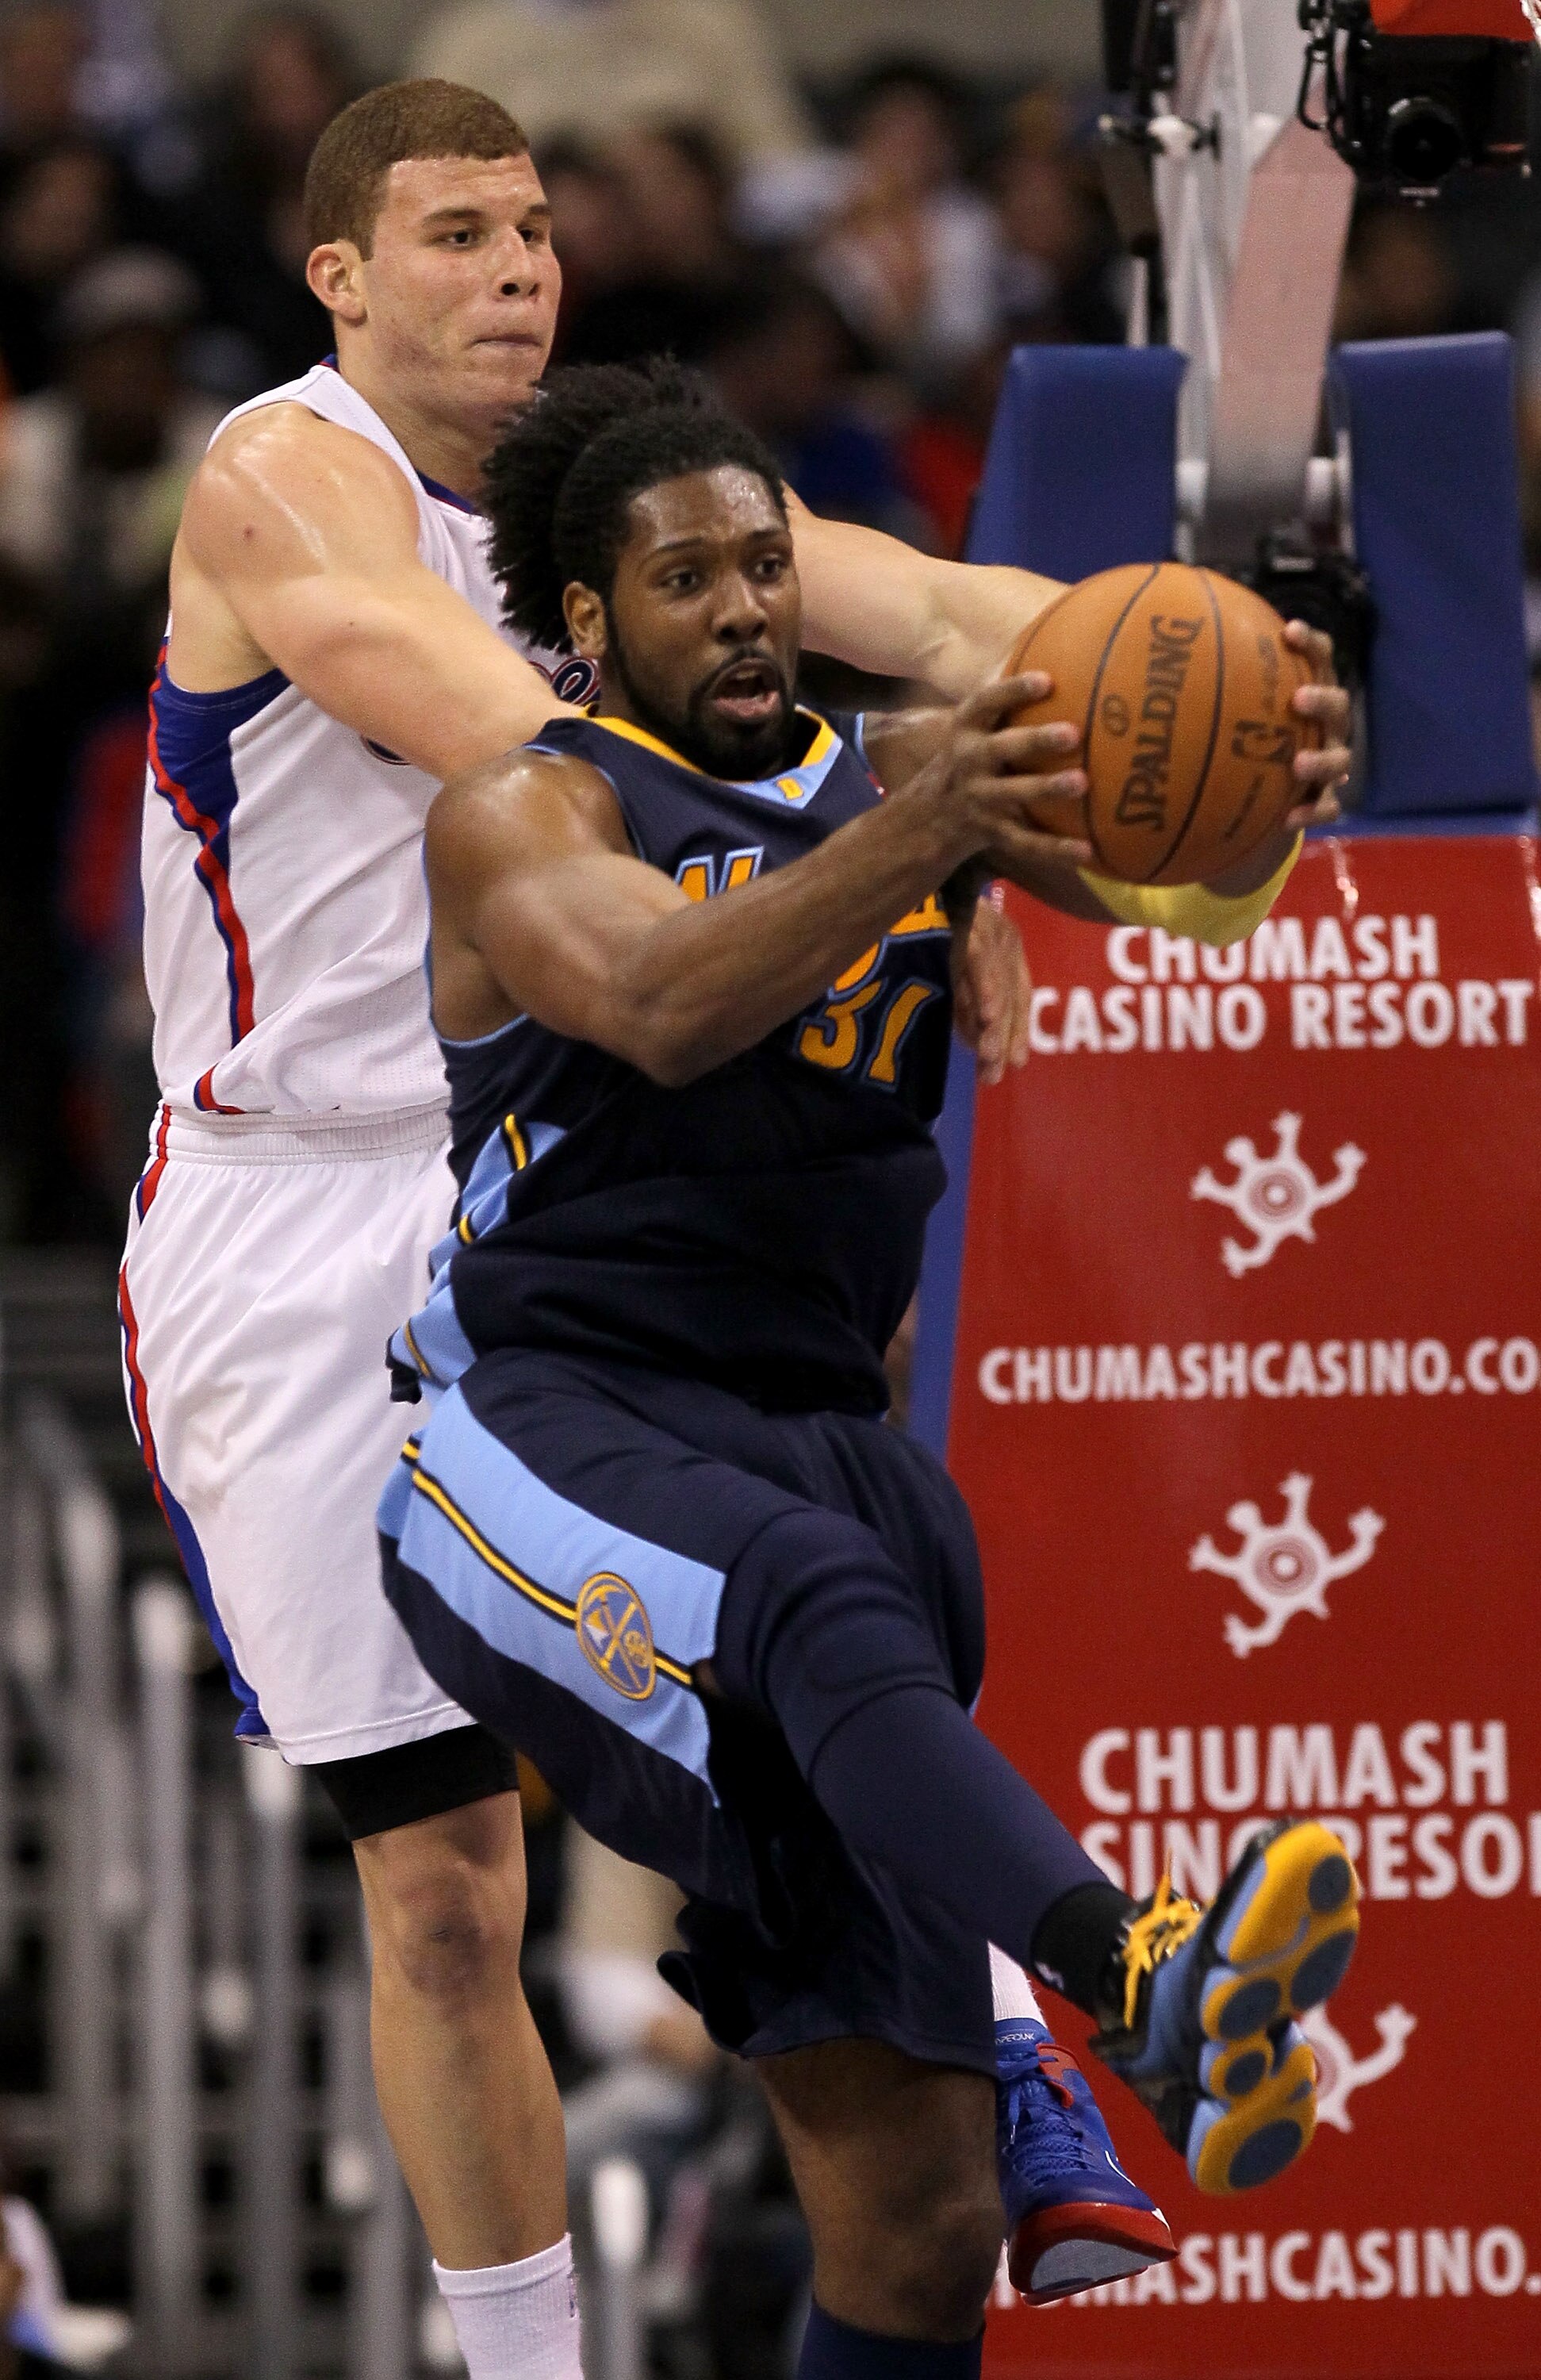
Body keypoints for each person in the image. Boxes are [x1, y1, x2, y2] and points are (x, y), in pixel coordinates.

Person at [117, 78, 1351, 2380]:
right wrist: (893, 839)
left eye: (535, 229)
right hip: (309, 1196)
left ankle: (996, 2021)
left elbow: (968, 607)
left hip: (585, 1152)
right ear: (340, 279)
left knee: (814, 1562)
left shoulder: (640, 506)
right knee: (445, 1879)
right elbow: (507, 736)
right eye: (458, 233)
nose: (514, 270)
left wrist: (1228, 691)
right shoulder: (291, 477)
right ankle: (552, 2344)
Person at [378, 360, 1363, 2379]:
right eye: (681, 579)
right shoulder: (526, 809)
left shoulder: (903, 769)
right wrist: (929, 833)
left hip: (814, 1439)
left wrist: (1278, 781)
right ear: (586, 623)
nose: (743, 606)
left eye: (763, 564)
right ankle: (1131, 1979)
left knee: (914, 2235)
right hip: (543, 1429)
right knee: (807, 1592)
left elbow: (1183, 879)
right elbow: (658, 1001)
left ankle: (1027, 2061)